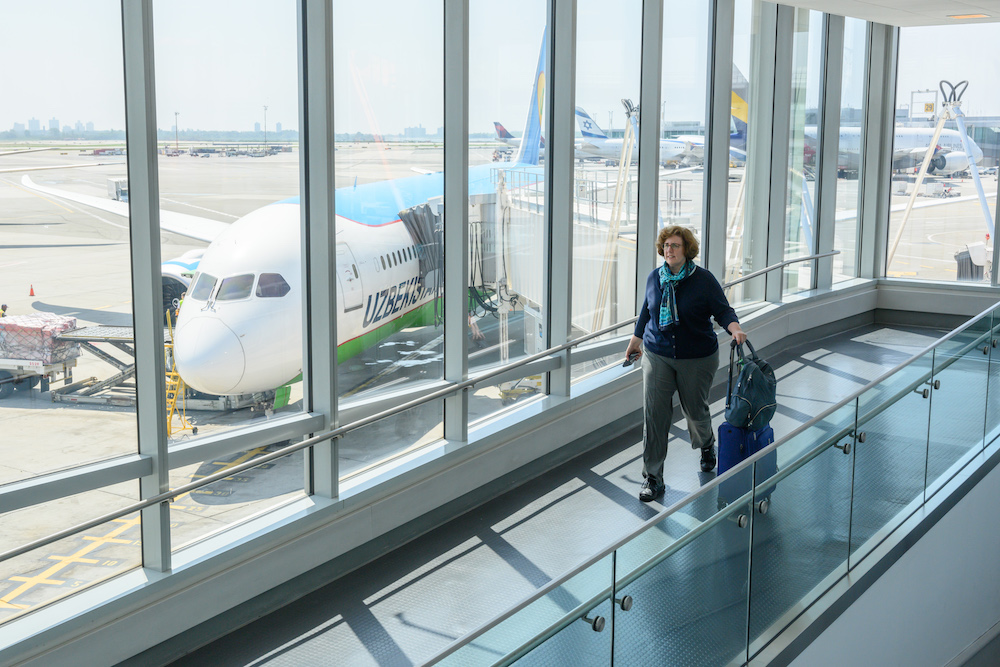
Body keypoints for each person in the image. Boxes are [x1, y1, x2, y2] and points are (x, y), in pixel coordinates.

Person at [624, 225, 746, 502]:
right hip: (658, 354)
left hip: (697, 357)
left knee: (695, 412)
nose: (669, 250)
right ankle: (653, 478)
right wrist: (636, 340)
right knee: (654, 416)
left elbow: (723, 310)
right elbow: (646, 309)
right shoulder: (655, 277)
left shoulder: (703, 280)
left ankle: (706, 444)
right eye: (666, 245)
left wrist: (735, 329)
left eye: (675, 245)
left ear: (687, 250)